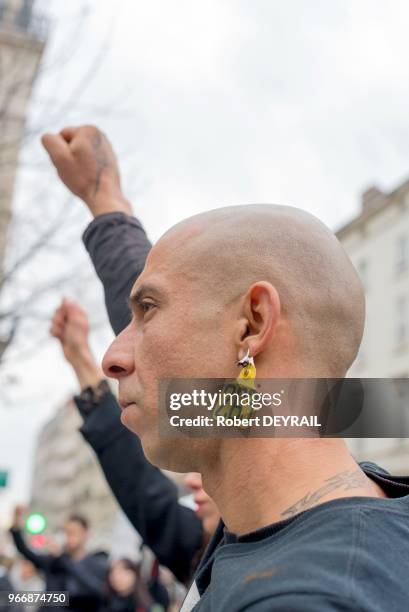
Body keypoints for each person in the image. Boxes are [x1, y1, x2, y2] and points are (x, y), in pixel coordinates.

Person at [43, 126, 409, 610]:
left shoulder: (309, 597)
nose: (112, 358)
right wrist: (104, 201)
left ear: (253, 325)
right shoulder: (323, 524)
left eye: (147, 309)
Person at [50, 297, 220, 584]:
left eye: (216, 457)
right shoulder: (207, 553)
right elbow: (138, 483)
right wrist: (80, 360)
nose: (192, 481)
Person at [10, 508, 108, 612]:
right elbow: (26, 551)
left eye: (73, 532)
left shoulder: (97, 562)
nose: (69, 537)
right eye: (66, 532)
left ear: (86, 533)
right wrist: (17, 521)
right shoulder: (54, 561)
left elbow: (97, 591)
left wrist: (62, 557)